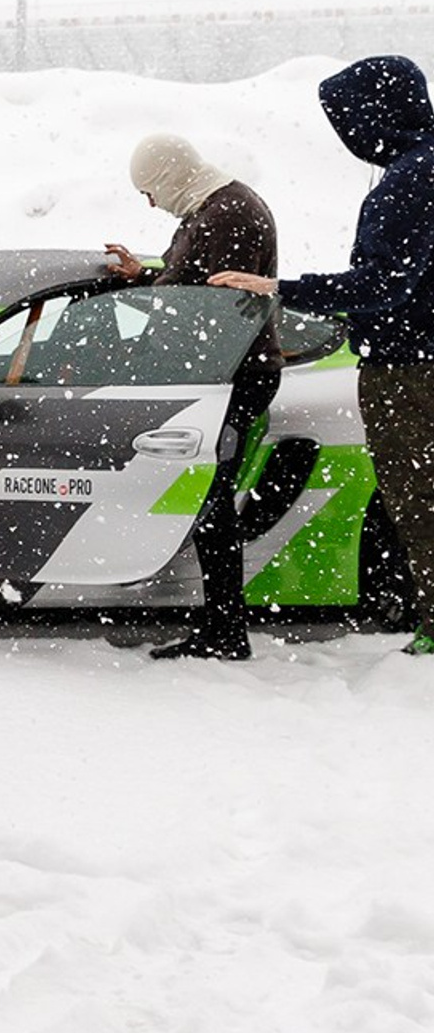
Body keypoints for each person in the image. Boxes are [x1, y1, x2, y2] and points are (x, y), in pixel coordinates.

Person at [215, 56, 434, 656]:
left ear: (376, 117)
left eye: (349, 122)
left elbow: (380, 287)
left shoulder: (411, 182)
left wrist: (282, 290)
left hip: (409, 368)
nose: (348, 138)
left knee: (418, 502)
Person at [105, 133, 279, 659]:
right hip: (224, 372)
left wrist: (141, 337)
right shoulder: (216, 204)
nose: (151, 203)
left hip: (229, 375)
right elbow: (198, 283)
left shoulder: (227, 215)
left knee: (210, 504)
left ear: (169, 176)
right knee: (208, 500)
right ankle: (223, 628)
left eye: (149, 190)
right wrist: (150, 275)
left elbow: (207, 307)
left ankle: (226, 632)